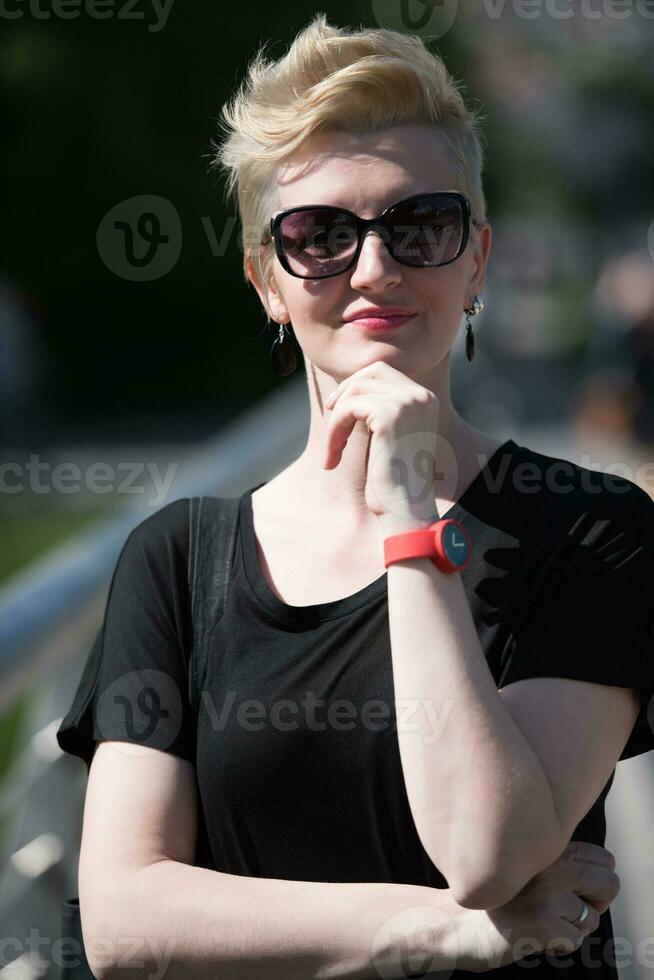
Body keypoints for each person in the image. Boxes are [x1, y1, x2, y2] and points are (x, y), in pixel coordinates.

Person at [56, 13, 654, 979]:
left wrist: (412, 521)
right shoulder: (180, 558)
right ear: (267, 284)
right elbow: (125, 920)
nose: (374, 268)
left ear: (477, 263)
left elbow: (488, 850)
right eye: (320, 235)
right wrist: (449, 933)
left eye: (421, 225)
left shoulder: (593, 530)